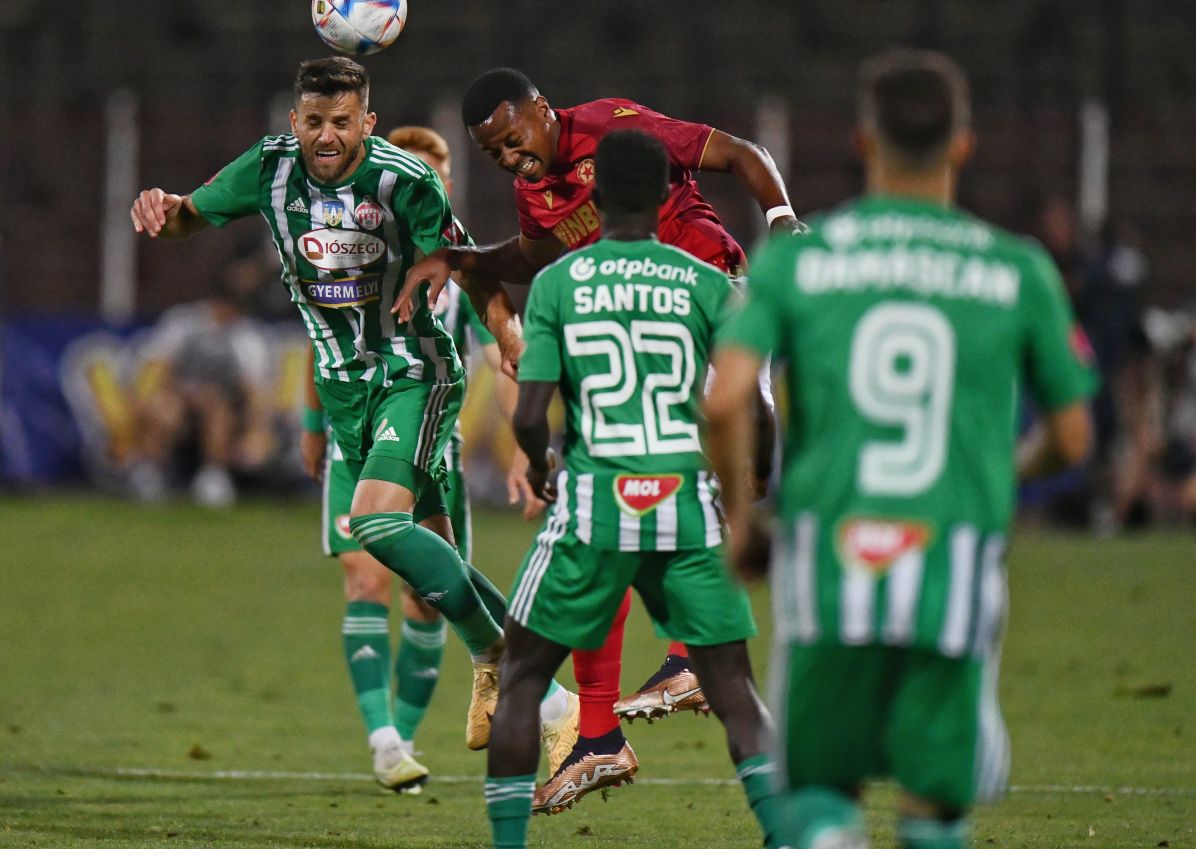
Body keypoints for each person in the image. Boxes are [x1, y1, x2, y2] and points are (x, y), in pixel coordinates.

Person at [706, 49, 1097, 849]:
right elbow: (1073, 437)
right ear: (963, 145)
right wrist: (1004, 477)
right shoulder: (1017, 269)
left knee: (819, 789)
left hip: (828, 559)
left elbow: (723, 397)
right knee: (934, 806)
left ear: (863, 142)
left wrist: (744, 520)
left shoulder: (802, 260)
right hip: (952, 562)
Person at [131, 56, 530, 791]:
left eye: (341, 122)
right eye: (314, 120)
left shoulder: (402, 183)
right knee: (394, 571)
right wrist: (162, 208)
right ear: (294, 122)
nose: (325, 135)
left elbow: (470, 267)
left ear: (366, 123)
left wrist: (507, 335)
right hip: (346, 396)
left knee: (382, 541)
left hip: (413, 378)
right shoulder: (270, 169)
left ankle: (486, 656)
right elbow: (190, 214)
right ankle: (500, 674)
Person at [395, 67, 797, 775]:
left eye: (513, 137)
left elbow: (739, 154)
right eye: (494, 153)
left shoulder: (614, 126)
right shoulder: (534, 191)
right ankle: (605, 727)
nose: (510, 157)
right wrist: (460, 260)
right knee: (613, 508)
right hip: (644, 325)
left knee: (698, 445)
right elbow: (534, 256)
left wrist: (782, 219)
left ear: (542, 111)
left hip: (710, 290)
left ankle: (678, 667)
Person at [483, 130, 785, 849]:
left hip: (596, 505)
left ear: (593, 198)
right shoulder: (708, 284)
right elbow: (757, 407)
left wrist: (542, 464)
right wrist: (759, 476)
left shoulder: (559, 283)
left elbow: (530, 413)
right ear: (662, 197)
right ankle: (788, 834)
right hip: (687, 506)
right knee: (736, 690)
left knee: (521, 678)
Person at [296, 124, 578, 791]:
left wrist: (520, 448)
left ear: (440, 186)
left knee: (434, 593)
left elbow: (506, 359)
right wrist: (313, 425)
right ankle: (386, 742)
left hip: (431, 449)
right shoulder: (348, 252)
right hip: (353, 444)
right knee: (366, 579)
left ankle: (534, 693)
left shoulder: (459, 271)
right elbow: (321, 336)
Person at [126, 255, 277, 506]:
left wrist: (257, 431)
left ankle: (214, 476)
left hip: (225, 410)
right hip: (180, 401)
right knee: (164, 408)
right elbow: (158, 368)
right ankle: (150, 472)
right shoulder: (184, 323)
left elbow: (254, 390)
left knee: (216, 406)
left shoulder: (246, 335)